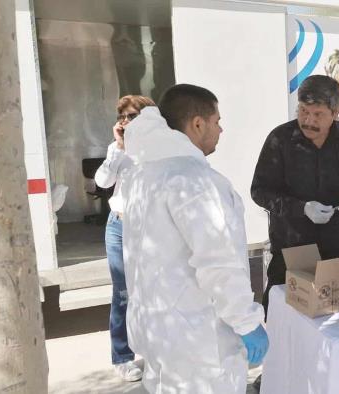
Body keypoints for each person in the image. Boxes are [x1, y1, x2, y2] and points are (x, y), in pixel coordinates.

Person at [121, 84, 268, 393]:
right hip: (200, 348)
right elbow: (217, 261)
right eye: (216, 121)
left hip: (159, 334)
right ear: (198, 124)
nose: (221, 128)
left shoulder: (143, 174)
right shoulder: (195, 181)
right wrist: (246, 322)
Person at [251, 75, 339, 313]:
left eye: (318, 114)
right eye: (303, 111)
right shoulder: (280, 139)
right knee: (284, 320)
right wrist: (301, 208)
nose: (308, 120)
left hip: (335, 252)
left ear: (336, 111)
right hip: (290, 252)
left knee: (331, 322)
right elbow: (260, 191)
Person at [94, 94, 154, 382]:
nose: (126, 122)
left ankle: (154, 351)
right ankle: (122, 357)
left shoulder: (160, 148)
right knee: (122, 293)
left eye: (132, 116)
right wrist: (118, 147)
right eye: (123, 117)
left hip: (149, 229)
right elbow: (103, 181)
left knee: (152, 291)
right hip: (119, 226)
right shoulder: (118, 148)